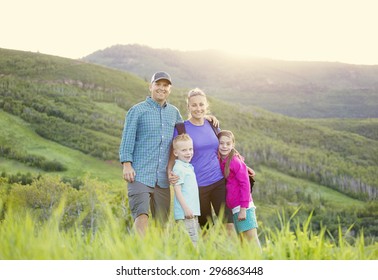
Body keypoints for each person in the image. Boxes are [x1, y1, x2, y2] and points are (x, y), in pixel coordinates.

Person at [119, 71, 182, 236]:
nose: (161, 88)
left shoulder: (174, 112)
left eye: (165, 85)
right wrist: (126, 164)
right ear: (150, 86)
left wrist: (208, 120)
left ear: (170, 89)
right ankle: (135, 255)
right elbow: (127, 139)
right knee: (142, 216)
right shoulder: (137, 110)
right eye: (158, 84)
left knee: (162, 226)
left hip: (163, 178)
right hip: (139, 174)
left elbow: (186, 136)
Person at [169, 88, 234, 232]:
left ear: (206, 106)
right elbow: (174, 154)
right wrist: (169, 172)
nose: (198, 108)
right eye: (194, 105)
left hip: (218, 182)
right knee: (206, 228)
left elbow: (225, 148)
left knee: (229, 224)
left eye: (201, 104)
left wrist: (240, 164)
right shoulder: (181, 129)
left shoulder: (213, 125)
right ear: (188, 107)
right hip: (197, 187)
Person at [217, 130, 261, 248]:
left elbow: (245, 185)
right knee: (243, 242)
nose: (224, 146)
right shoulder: (221, 160)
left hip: (243, 207)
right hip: (234, 208)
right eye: (221, 143)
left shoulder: (235, 161)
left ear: (233, 145)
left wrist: (243, 209)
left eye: (228, 144)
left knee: (252, 240)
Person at [172, 133, 200, 246]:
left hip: (192, 212)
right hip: (185, 213)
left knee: (194, 242)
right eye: (184, 150)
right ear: (175, 152)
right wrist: (186, 209)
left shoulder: (188, 166)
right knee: (190, 244)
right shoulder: (179, 168)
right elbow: (177, 190)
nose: (188, 153)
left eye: (190, 149)